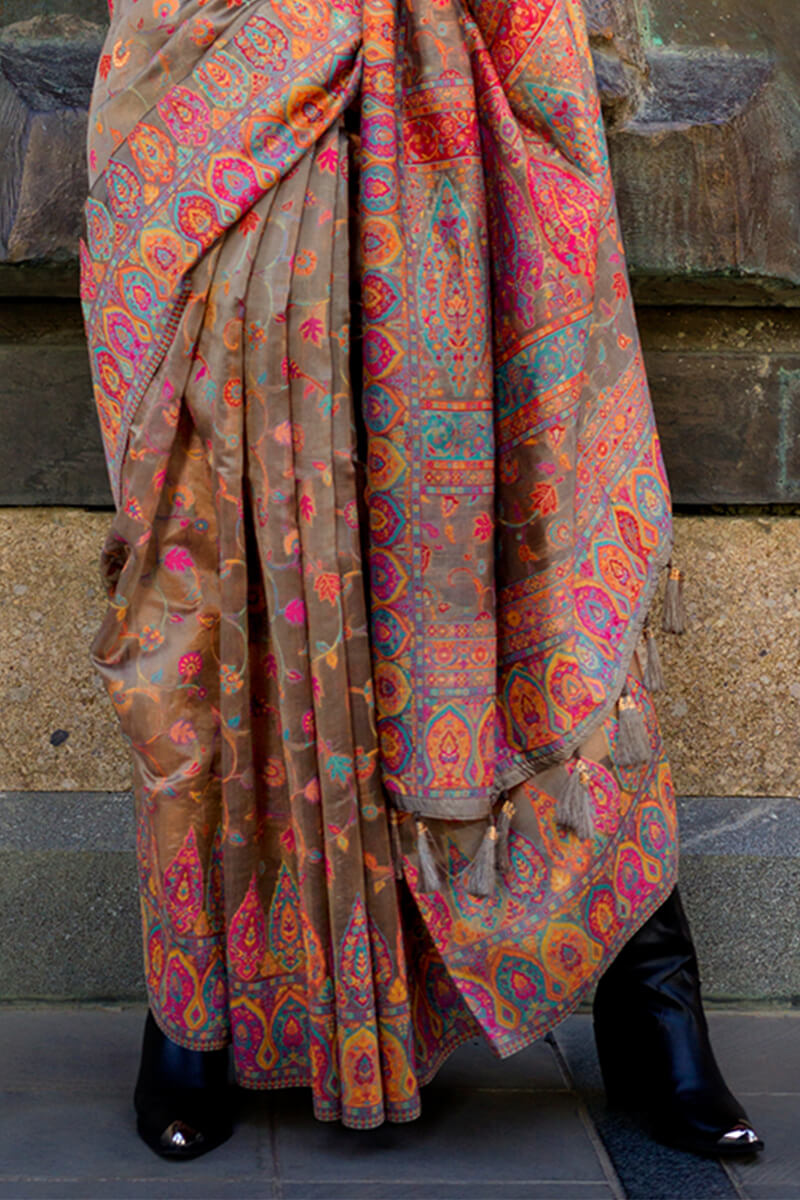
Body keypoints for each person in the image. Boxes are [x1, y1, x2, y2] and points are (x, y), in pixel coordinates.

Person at [81, 0, 762, 1162]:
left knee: (528, 585)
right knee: (216, 597)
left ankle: (649, 1002)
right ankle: (192, 1006)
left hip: (456, 146)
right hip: (224, 141)